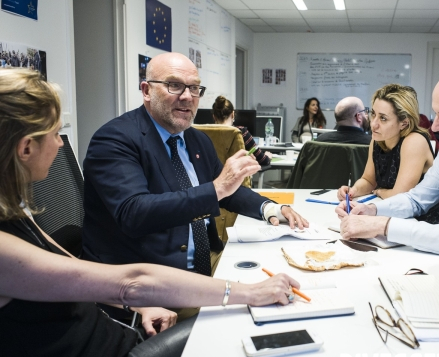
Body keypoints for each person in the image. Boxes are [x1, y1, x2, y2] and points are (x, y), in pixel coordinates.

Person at [0, 68, 300, 357]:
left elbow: (74, 271)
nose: (61, 144)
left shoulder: (15, 212)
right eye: (56, 133)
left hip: (118, 326)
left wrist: (135, 307)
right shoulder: (115, 139)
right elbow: (134, 274)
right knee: (234, 340)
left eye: (194, 88)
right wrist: (249, 292)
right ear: (24, 149)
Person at [82, 52, 308, 277]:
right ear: (146, 91)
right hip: (149, 277)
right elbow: (134, 213)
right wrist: (217, 188)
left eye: (194, 88)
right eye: (174, 85)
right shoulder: (115, 139)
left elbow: (228, 192)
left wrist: (273, 209)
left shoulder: (195, 139)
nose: (187, 96)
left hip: (208, 263)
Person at [335, 65, 439, 255]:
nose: (434, 127)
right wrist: (371, 209)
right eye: (436, 115)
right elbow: (417, 199)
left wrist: (384, 225)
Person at [336, 84, 434, 201]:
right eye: (373, 114)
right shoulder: (378, 140)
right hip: (396, 212)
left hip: (424, 217)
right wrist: (353, 190)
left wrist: (379, 191)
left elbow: (400, 196)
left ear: (404, 123)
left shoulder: (414, 142)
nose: (373, 124)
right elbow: (368, 180)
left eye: (383, 118)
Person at [211, 95, 272, 166]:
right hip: (236, 175)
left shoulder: (205, 134)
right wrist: (267, 157)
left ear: (214, 117)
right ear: (233, 114)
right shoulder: (241, 132)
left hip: (214, 176)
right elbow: (263, 160)